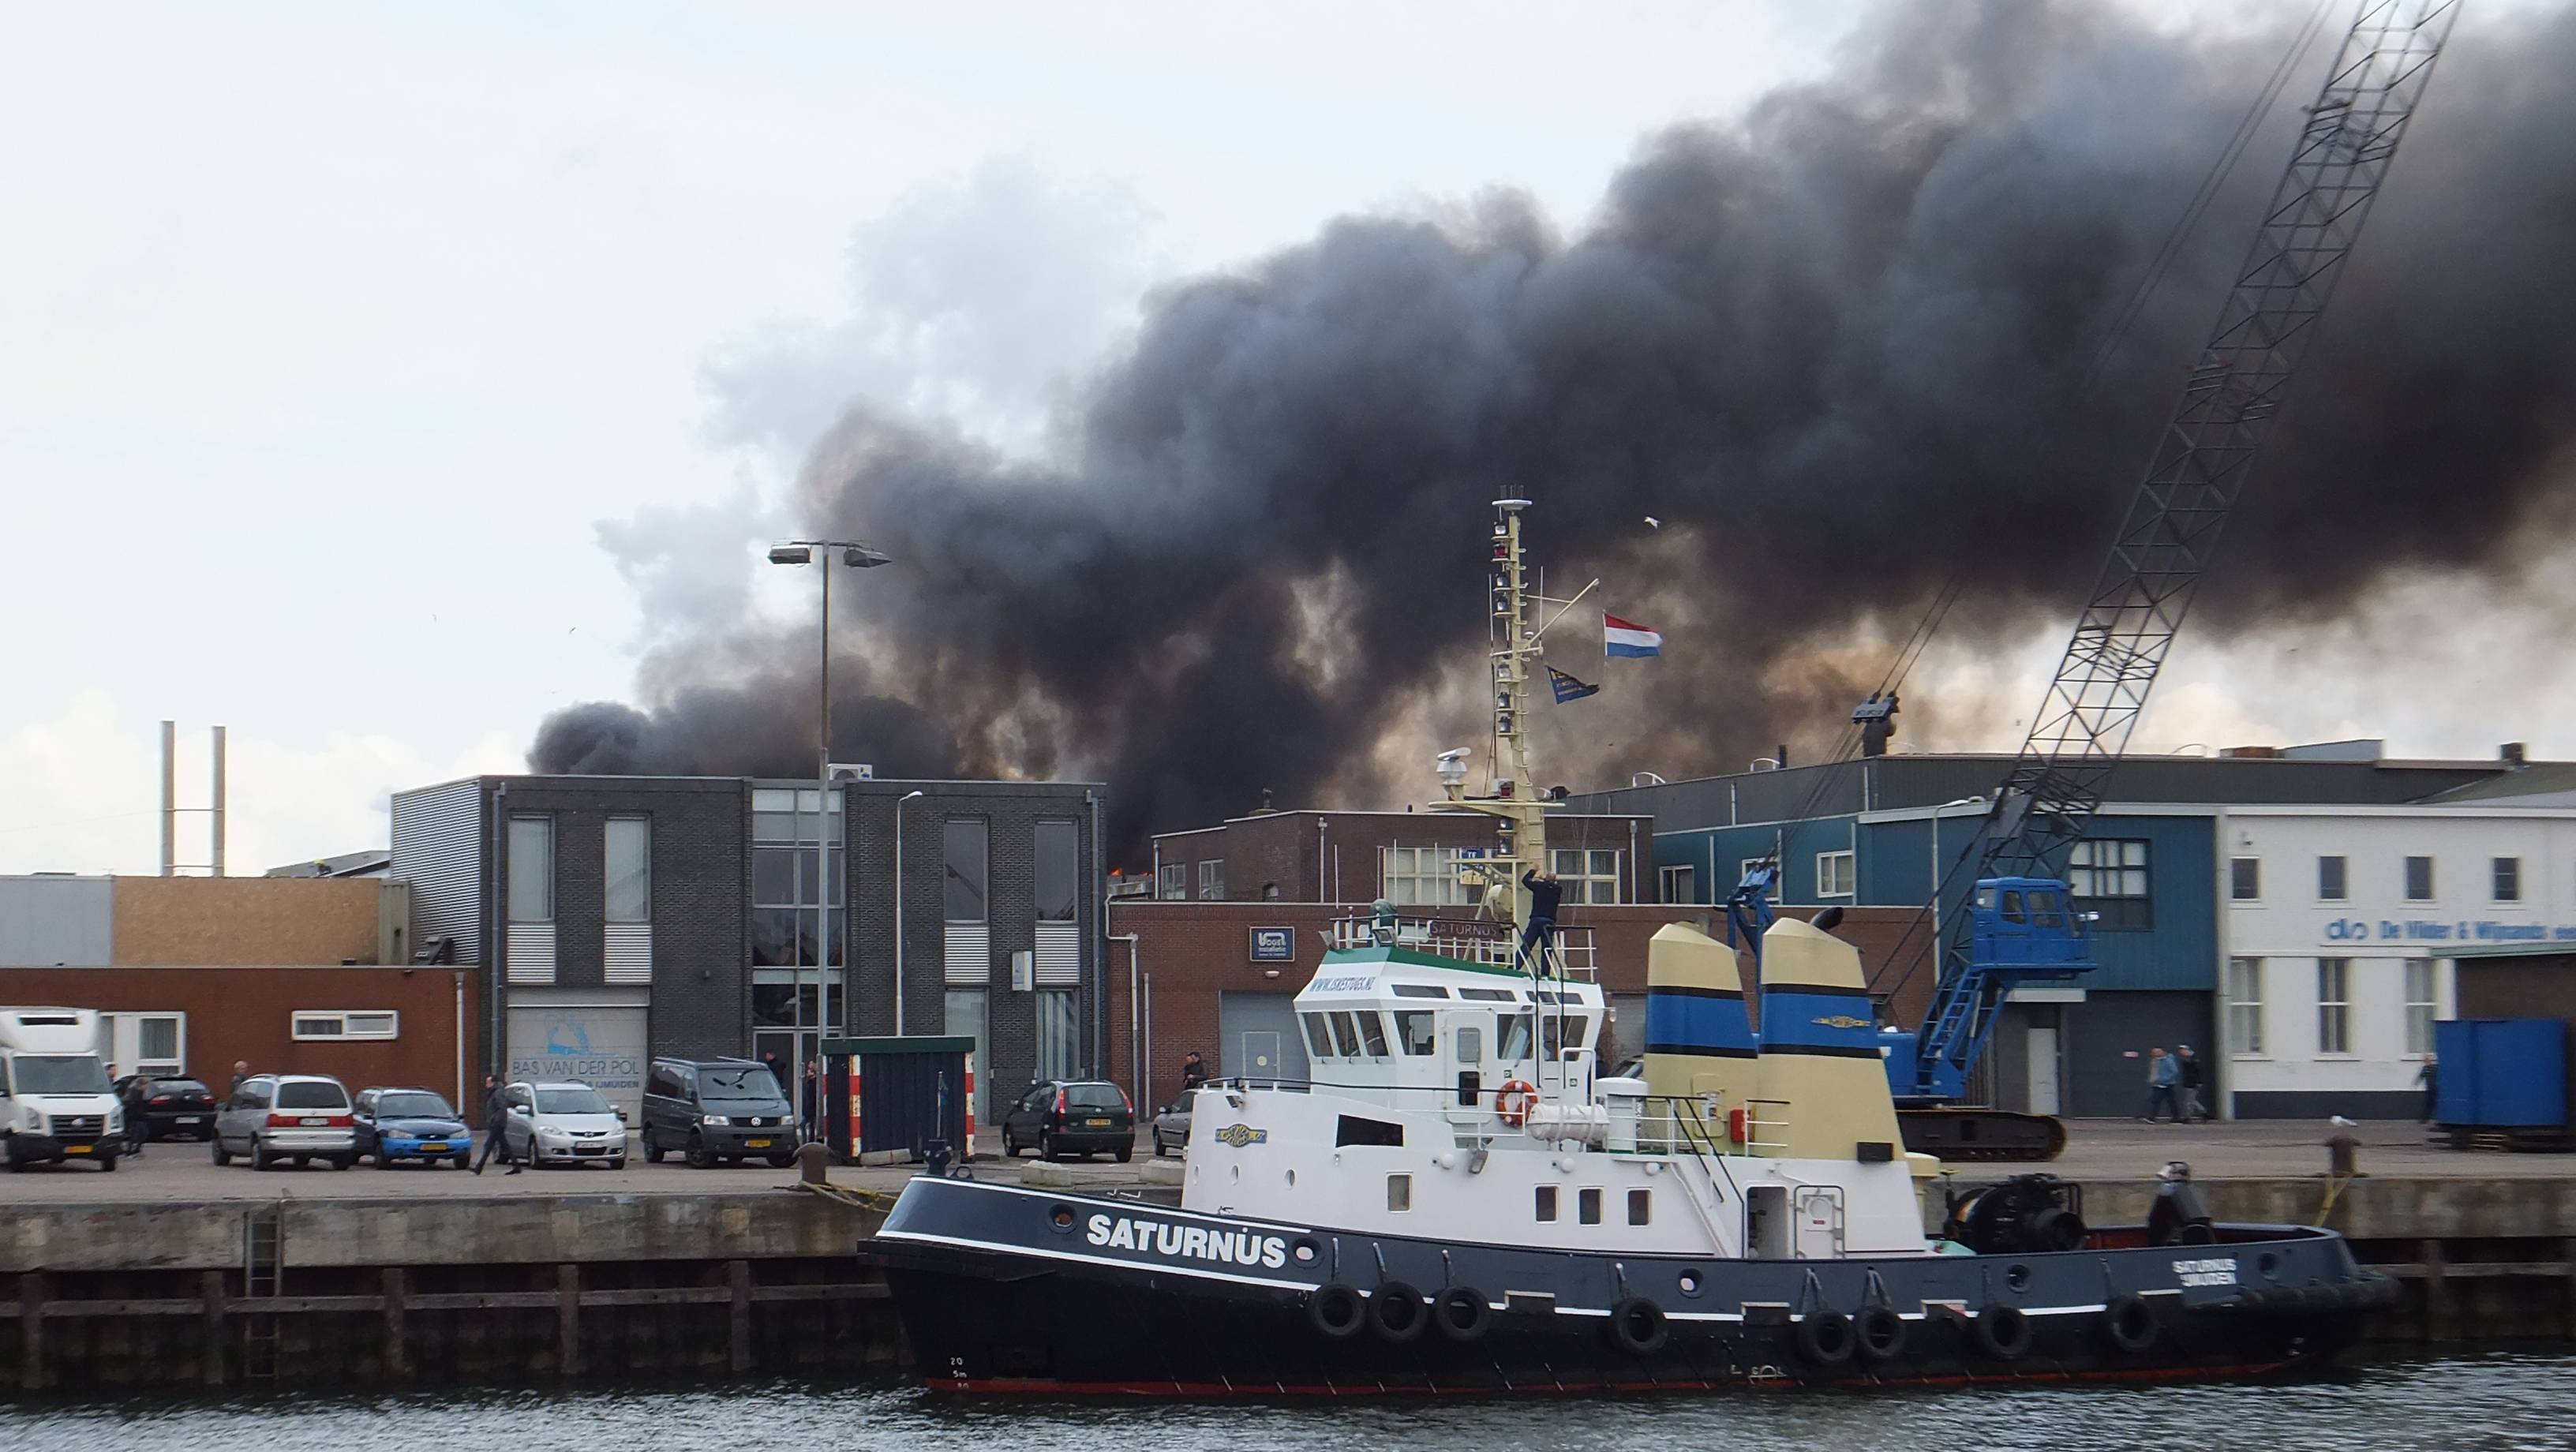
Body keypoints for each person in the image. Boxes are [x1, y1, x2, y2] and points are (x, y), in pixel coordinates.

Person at [1515, 868, 1563, 975]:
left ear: (1546, 879)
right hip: (1549, 922)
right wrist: (1545, 880)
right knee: (1546, 949)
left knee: (1527, 944)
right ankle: (1545, 973)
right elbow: (1550, 886)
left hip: (1536, 920)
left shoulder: (1539, 886)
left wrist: (1533, 871)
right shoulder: (1558, 889)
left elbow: (1525, 881)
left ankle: (1516, 965)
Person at [471, 1073, 520, 1175]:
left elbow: (502, 1107)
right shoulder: (496, 1092)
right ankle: (516, 1166)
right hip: (497, 1124)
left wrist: (495, 1121)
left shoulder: (497, 1093)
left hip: (497, 1124)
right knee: (500, 1146)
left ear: (493, 1083)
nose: (486, 1085)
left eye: (488, 1083)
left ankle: (478, 1168)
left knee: (489, 1146)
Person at [2139, 1046, 2181, 1123]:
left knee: (2170, 1102)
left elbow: (2174, 1072)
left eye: (2157, 1052)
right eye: (2154, 1053)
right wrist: (2152, 1080)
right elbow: (2153, 1071)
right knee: (2156, 1100)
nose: (2155, 1054)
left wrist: (2165, 1080)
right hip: (2158, 1084)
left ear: (2162, 1052)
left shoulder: (2168, 1060)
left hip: (2168, 1084)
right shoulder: (2155, 1060)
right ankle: (2150, 1117)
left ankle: (2176, 1118)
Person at [2175, 1043, 2206, 1123]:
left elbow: (2198, 1071)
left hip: (2193, 1083)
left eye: (2182, 1051)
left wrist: (2198, 1082)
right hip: (2188, 1082)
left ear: (2187, 1050)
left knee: (2189, 1101)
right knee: (2191, 1100)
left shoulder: (2194, 1059)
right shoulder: (2185, 1059)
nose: (2181, 1053)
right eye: (2180, 1051)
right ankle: (2204, 1113)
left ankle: (2187, 1117)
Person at [800, 1059, 822, 1142]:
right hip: (809, 1109)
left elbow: (811, 1097)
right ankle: (809, 1141)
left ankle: (806, 1141)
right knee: (811, 1126)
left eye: (809, 1071)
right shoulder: (810, 1083)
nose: (807, 1073)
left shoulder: (813, 1084)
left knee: (804, 1125)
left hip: (811, 1109)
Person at [2417, 1053, 2439, 1124]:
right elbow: (2421, 1076)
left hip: (2435, 1088)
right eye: (2425, 1060)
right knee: (2428, 1104)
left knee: (2435, 1104)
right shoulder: (2425, 1068)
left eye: (2427, 1059)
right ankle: (2425, 1119)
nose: (2426, 1061)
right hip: (2429, 1089)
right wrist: (2416, 1083)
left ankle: (2437, 1118)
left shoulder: (2435, 1067)